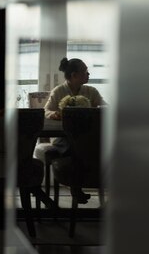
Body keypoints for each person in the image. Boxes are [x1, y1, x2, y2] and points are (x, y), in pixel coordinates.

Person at [44, 57, 106, 203]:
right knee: (76, 146)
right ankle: (76, 188)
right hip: (64, 137)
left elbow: (105, 106)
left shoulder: (91, 91)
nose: (88, 74)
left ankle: (76, 187)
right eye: (85, 71)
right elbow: (46, 110)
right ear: (74, 75)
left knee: (82, 147)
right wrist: (54, 114)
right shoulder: (58, 91)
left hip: (85, 137)